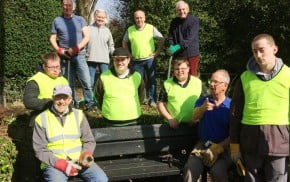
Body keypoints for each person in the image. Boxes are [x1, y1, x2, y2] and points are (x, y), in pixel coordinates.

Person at [230, 34, 289, 181]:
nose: (258, 54)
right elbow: (234, 113)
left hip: (280, 141)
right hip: (250, 140)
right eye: (254, 51)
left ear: (274, 49)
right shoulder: (244, 78)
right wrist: (234, 146)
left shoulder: (288, 75)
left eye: (261, 50)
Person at [33, 85, 108, 182]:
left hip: (79, 161)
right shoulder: (41, 119)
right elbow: (39, 149)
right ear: (53, 98)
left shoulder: (79, 115)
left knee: (101, 179)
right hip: (55, 164)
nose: (61, 101)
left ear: (70, 100)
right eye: (58, 97)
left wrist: (86, 155)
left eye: (65, 98)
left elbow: (89, 140)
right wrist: (61, 164)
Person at [183, 69, 232, 182]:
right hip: (202, 147)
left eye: (215, 82)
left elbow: (234, 134)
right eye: (211, 81)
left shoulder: (231, 106)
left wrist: (217, 148)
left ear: (225, 86)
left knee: (218, 172)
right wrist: (203, 108)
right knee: (190, 169)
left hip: (223, 148)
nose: (211, 84)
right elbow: (194, 117)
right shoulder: (203, 101)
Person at [49, 0, 94, 110]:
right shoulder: (57, 21)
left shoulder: (80, 20)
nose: (67, 7)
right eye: (64, 5)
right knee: (68, 82)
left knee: (86, 81)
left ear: (73, 7)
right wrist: (59, 50)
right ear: (62, 6)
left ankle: (90, 103)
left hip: (80, 54)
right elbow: (52, 38)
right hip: (65, 56)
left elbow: (87, 37)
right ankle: (72, 103)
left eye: (69, 5)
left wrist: (76, 48)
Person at [122, 10, 164, 108]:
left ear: (144, 18)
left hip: (150, 59)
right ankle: (139, 100)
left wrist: (157, 52)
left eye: (141, 17)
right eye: (137, 18)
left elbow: (161, 39)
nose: (139, 19)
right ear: (134, 19)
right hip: (136, 61)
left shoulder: (150, 28)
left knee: (152, 80)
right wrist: (128, 54)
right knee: (138, 81)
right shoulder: (130, 29)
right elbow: (124, 42)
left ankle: (152, 100)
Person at [96, 47, 145, 126]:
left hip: (133, 120)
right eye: (117, 60)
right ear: (113, 60)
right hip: (110, 121)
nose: (120, 62)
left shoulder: (137, 76)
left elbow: (141, 96)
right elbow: (97, 97)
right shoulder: (104, 77)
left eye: (122, 59)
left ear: (128, 60)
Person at [24, 52, 68, 125]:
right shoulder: (35, 80)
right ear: (44, 66)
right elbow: (29, 102)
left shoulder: (64, 80)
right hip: (41, 119)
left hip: (62, 119)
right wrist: (52, 102)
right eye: (52, 67)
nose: (55, 70)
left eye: (57, 67)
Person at [158, 58, 202, 129]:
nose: (180, 71)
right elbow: (161, 104)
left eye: (183, 68)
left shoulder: (198, 82)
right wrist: (170, 119)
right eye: (177, 69)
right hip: (173, 125)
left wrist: (198, 117)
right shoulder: (167, 83)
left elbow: (205, 102)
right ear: (173, 70)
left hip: (194, 124)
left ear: (188, 69)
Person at [168, 1, 200, 77]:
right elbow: (170, 36)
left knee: (192, 77)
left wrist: (177, 46)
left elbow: (189, 39)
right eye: (179, 10)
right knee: (178, 76)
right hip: (178, 55)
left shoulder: (194, 21)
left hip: (191, 54)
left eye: (183, 9)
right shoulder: (174, 22)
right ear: (176, 11)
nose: (182, 11)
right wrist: (171, 45)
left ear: (188, 10)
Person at [87, 9, 115, 88]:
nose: (100, 19)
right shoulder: (88, 28)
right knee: (90, 81)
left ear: (105, 18)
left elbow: (111, 45)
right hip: (90, 58)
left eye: (103, 17)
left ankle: (103, 98)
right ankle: (90, 99)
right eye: (99, 17)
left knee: (105, 80)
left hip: (104, 59)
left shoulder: (107, 31)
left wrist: (115, 54)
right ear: (95, 17)